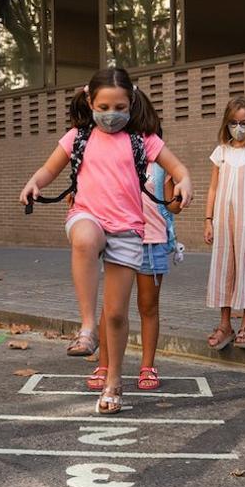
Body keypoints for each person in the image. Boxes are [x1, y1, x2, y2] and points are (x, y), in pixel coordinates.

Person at [20, 67, 193, 415]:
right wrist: (34, 183)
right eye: (104, 106)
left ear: (131, 103)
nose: (111, 115)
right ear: (90, 101)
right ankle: (86, 326)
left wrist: (185, 182)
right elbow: (49, 169)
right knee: (84, 237)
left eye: (119, 107)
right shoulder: (77, 137)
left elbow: (179, 169)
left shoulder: (143, 140)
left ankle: (114, 381)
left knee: (115, 314)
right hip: (89, 216)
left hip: (128, 230)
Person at [89, 117, 184, 392]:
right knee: (111, 308)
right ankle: (104, 365)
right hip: (119, 240)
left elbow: (172, 206)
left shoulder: (160, 167)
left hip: (152, 243)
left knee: (148, 307)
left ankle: (147, 366)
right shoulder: (118, 161)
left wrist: (180, 195)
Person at [204, 96, 245, 351]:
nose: (239, 128)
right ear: (226, 123)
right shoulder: (220, 152)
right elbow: (212, 188)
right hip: (223, 222)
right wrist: (208, 220)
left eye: (244, 122)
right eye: (234, 122)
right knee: (223, 269)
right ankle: (225, 324)